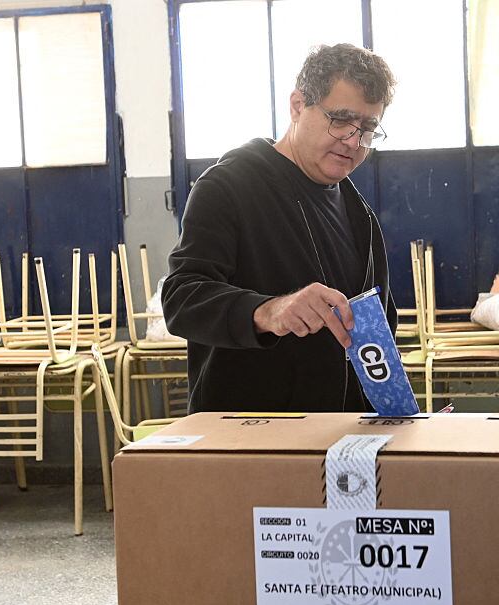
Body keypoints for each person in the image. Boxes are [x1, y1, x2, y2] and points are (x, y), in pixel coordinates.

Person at [163, 44, 397, 413]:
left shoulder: (360, 215)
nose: (353, 142)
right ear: (297, 106)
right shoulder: (228, 187)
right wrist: (269, 311)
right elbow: (182, 299)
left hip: (341, 441)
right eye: (340, 120)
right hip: (250, 437)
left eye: (367, 128)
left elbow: (378, 328)